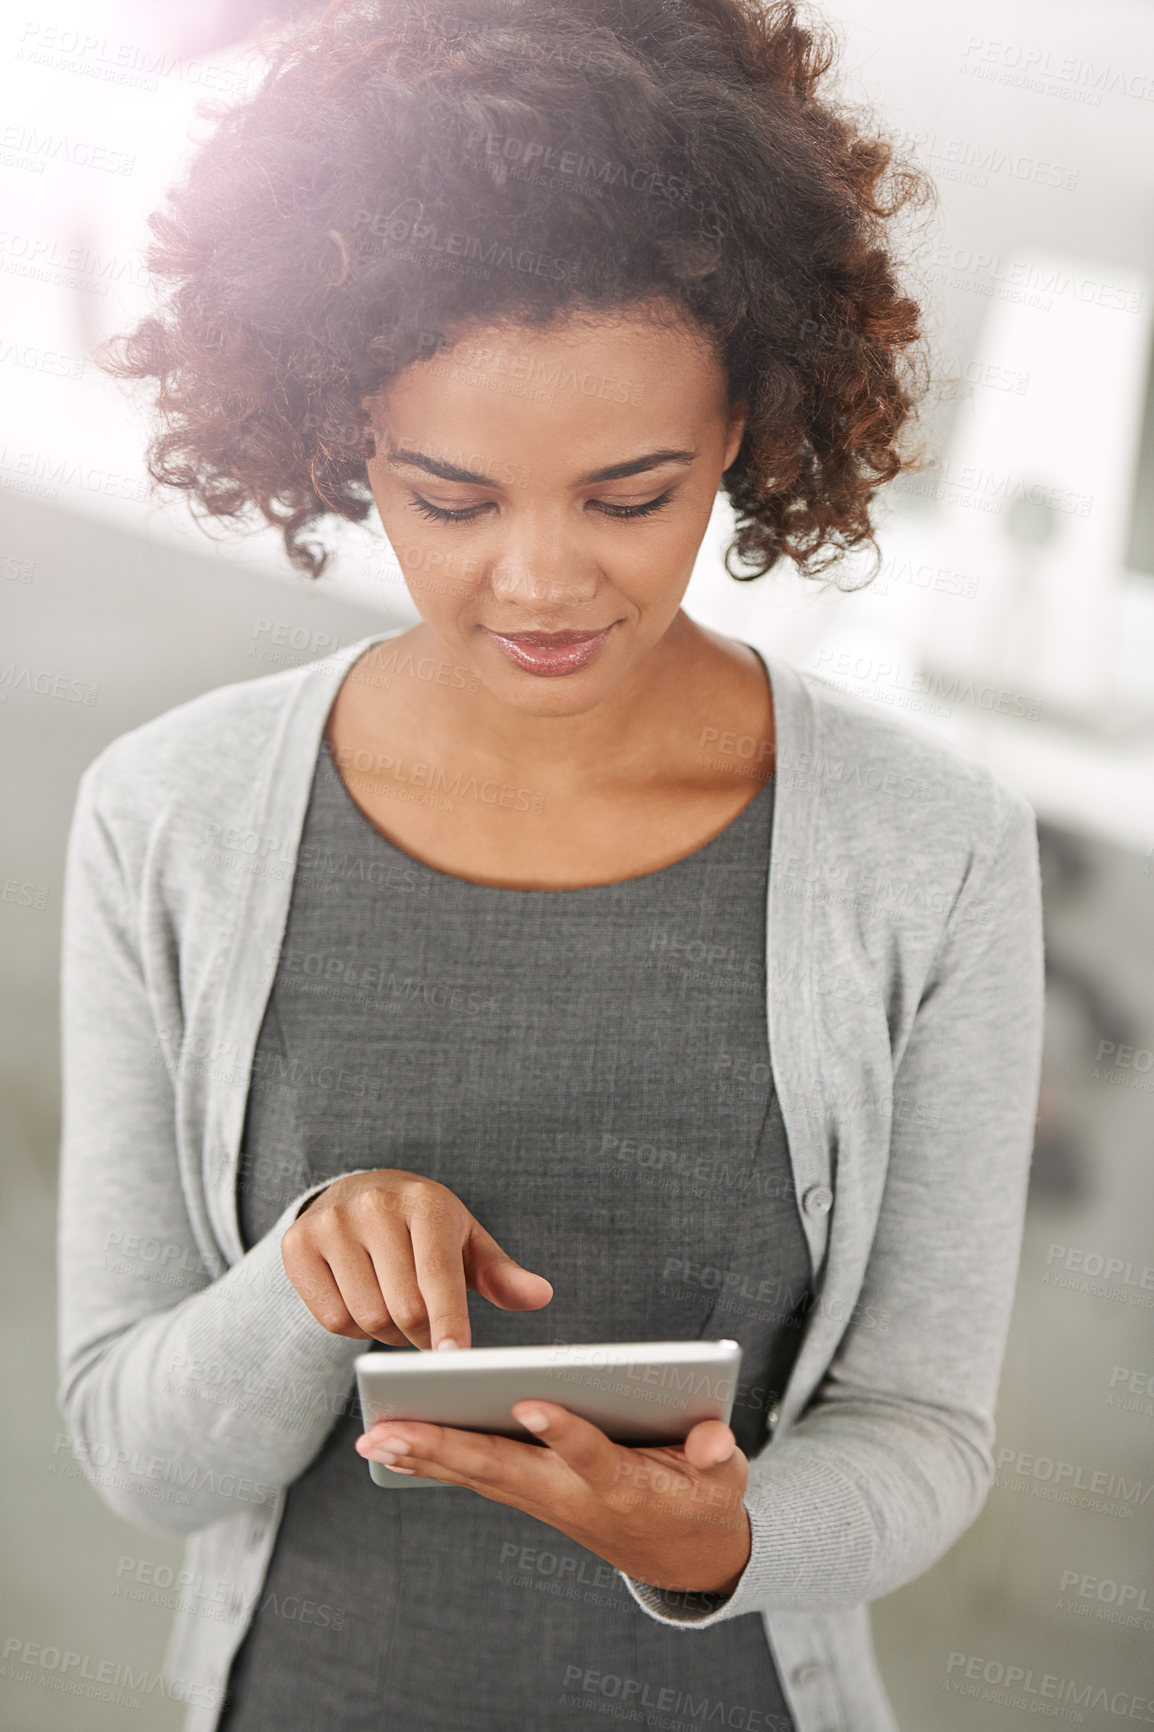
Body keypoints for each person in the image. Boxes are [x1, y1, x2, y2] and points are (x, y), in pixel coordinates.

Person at [56, 2, 1045, 1729]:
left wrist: (725, 1538)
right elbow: (140, 1455)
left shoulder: (929, 850)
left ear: (744, 421)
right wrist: (304, 1280)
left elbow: (923, 1433)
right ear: (342, 423)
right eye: (451, 500)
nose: (538, 582)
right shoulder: (170, 816)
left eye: (627, 494)